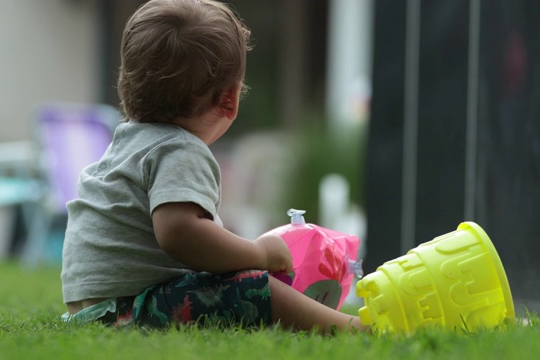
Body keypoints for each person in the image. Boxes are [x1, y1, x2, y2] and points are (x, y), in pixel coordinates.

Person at [61, 0, 366, 334]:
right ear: (229, 100)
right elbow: (179, 233)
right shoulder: (179, 149)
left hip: (94, 311)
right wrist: (258, 253)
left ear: (125, 86)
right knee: (253, 285)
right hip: (133, 310)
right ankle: (351, 328)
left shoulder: (128, 143)